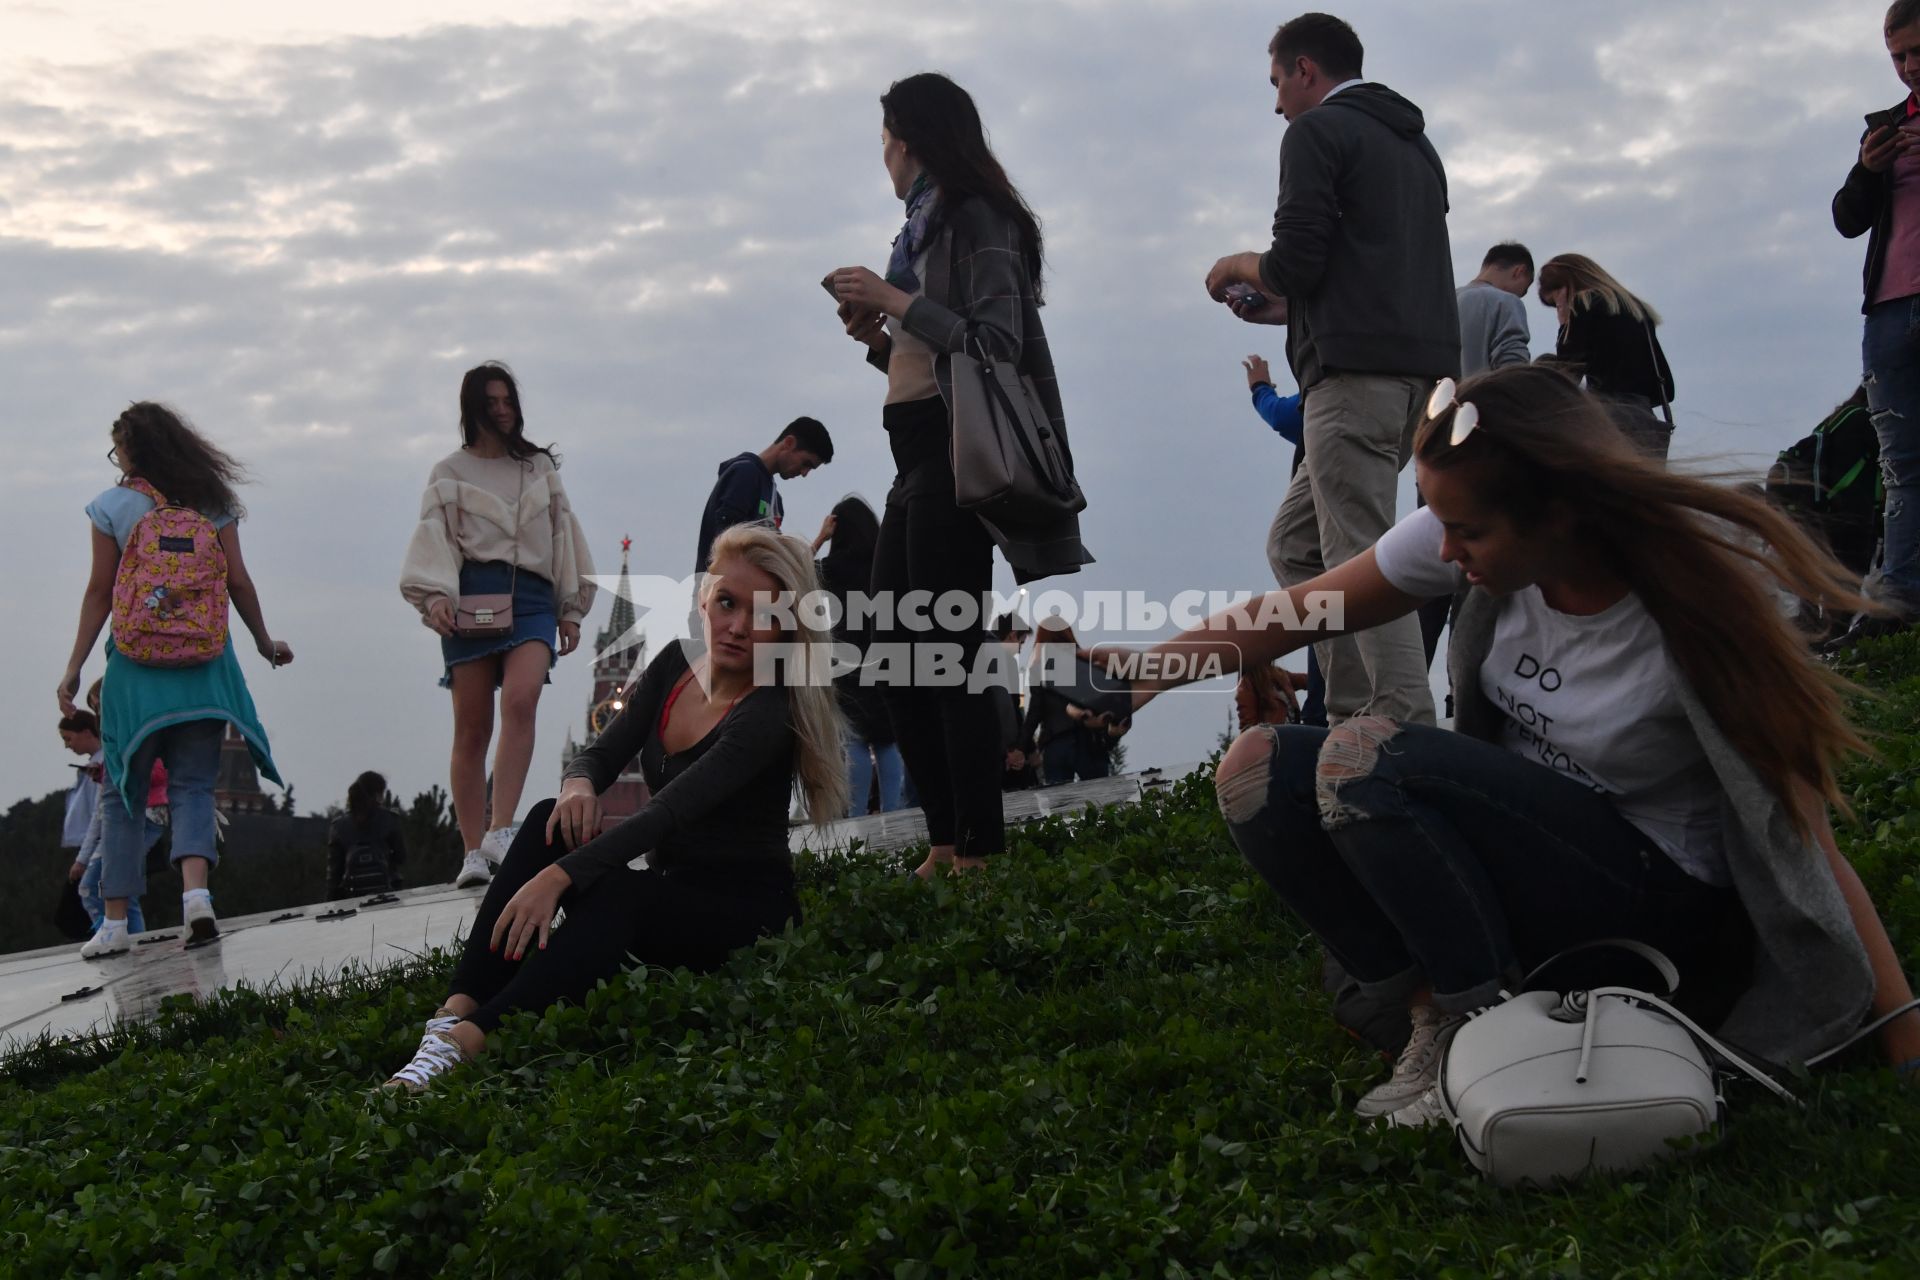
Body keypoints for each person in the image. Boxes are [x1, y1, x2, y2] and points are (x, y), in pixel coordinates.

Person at [1082, 364, 1920, 1121]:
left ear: (1562, 513)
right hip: (1530, 871)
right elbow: (1302, 611)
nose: (1446, 552)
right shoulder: (1472, 530)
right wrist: (1145, 676)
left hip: (1660, 912)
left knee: (1364, 757)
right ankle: (1425, 1016)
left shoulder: (1702, 603)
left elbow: (1801, 840)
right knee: (1257, 767)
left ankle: (1473, 1026)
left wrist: (1900, 1033)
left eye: (1468, 533)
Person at [382, 524, 846, 1093]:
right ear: (704, 600)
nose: (737, 626)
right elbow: (599, 756)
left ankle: (470, 1041)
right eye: (727, 602)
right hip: (669, 889)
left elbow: (667, 813)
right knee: (549, 817)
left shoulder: (767, 712)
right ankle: (453, 1011)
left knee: (622, 893)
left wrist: (558, 878)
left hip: (747, 912)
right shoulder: (676, 665)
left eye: (765, 614)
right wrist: (579, 787)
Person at [828, 71, 1085, 877]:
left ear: (910, 139)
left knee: (948, 644)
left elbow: (995, 345)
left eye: (884, 139)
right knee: (894, 647)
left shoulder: (978, 216)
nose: (883, 156)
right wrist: (879, 334)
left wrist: (898, 306)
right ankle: (944, 838)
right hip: (912, 449)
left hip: (953, 450)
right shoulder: (919, 229)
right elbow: (928, 356)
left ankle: (979, 845)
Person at [1205, 12, 1457, 727]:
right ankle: (1347, 710)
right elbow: (1368, 274)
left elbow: (1292, 260)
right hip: (1419, 380)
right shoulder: (1416, 146)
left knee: (1358, 559)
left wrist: (1236, 267)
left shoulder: (1314, 132)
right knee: (1296, 545)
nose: (1276, 100)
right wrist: (1287, 311)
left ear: (1305, 70)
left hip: (1352, 384)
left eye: (1278, 81)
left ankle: (1404, 726)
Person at [56, 402, 290, 957]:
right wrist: (263, 641)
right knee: (192, 786)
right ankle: (197, 899)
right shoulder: (214, 504)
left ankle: (114, 923)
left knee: (122, 794)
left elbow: (99, 592)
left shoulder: (113, 505)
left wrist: (74, 665)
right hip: (206, 669)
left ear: (132, 449)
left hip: (137, 675)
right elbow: (239, 583)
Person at [400, 363, 598, 890]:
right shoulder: (448, 471)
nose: (503, 409)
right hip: (470, 598)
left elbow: (562, 537)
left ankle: (501, 828)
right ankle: (471, 852)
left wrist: (570, 609)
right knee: (471, 728)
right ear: (474, 408)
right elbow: (434, 537)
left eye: (508, 399)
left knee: (522, 699)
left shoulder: (538, 470)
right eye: (492, 401)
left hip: (531, 597)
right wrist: (436, 597)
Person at [1831, 0, 1920, 641]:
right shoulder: (1885, 126)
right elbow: (1845, 219)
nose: (1910, 67)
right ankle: (1899, 605)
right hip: (1889, 311)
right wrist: (1869, 169)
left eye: (1918, 52)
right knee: (1902, 466)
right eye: (1898, 57)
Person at [1243, 355, 1324, 727]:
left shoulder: (1325, 389)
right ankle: (1323, 704)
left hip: (1319, 525)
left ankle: (1322, 709)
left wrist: (1261, 387)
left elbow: (1283, 416)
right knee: (1325, 607)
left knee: (1315, 599)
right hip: (1330, 523)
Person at [812, 496, 905, 816]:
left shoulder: (834, 568)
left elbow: (793, 572)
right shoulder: (887, 560)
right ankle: (895, 811)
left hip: (848, 661)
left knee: (855, 741)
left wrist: (821, 537)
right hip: (889, 656)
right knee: (888, 741)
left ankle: (858, 816)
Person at [1535, 253, 1676, 458]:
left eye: (1556, 302)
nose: (1559, 309)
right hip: (1644, 416)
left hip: (1611, 417)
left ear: (1567, 287)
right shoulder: (1636, 309)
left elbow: (1569, 371)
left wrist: (1564, 325)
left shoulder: (1584, 303)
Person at [695, 418, 835, 578]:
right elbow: (725, 543)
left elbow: (777, 560)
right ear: (789, 443)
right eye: (806, 463)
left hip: (752, 595)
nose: (804, 473)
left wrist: (820, 539)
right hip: (724, 591)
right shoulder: (745, 473)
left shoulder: (775, 499)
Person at [1019, 619, 1127, 785]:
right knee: (1102, 802)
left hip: (1056, 742)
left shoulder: (1038, 667)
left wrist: (1021, 746)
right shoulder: (1085, 661)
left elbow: (1035, 711)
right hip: (1089, 742)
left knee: (1060, 806)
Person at [1457, 242, 1535, 377]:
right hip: (1481, 396)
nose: (1518, 297)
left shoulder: (1446, 300)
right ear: (1519, 272)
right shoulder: (1505, 302)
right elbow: (1514, 370)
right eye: (1522, 292)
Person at [327, 771, 408, 899]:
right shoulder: (390, 819)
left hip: (352, 897)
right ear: (377, 794)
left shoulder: (338, 825)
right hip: (388, 894)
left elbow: (334, 872)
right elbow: (401, 857)